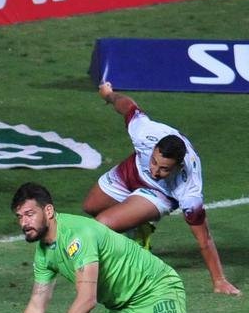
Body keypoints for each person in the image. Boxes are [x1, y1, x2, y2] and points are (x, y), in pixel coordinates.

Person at [0, 182, 248, 313]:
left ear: (48, 211)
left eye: (29, 214)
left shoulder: (78, 236)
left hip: (155, 289)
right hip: (123, 305)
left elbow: (87, 299)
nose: (24, 223)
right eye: (19, 217)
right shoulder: (44, 253)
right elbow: (37, 303)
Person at [83, 82, 239, 296]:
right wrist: (109, 95)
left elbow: (204, 238)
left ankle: (126, 256)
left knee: (103, 225)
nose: (155, 171)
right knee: (91, 207)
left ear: (179, 166)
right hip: (133, 170)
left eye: (164, 168)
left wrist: (219, 280)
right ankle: (139, 228)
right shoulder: (144, 133)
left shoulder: (188, 189)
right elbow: (128, 107)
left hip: (161, 194)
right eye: (154, 162)